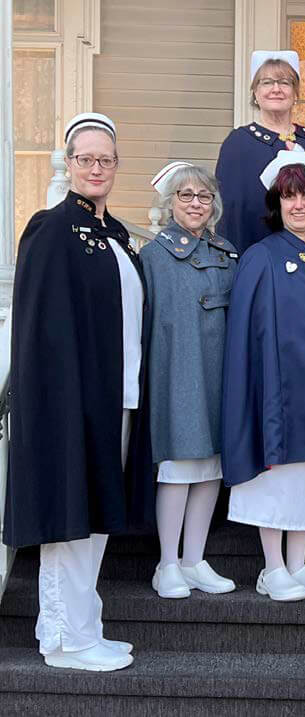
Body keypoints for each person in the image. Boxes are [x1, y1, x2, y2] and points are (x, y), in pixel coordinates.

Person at [3, 112, 154, 671]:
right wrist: (61, 400)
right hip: (74, 400)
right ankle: (64, 639)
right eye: (86, 159)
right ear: (68, 165)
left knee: (92, 516)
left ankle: (80, 624)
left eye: (106, 160)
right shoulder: (52, 229)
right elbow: (41, 327)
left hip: (116, 395)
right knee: (71, 515)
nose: (96, 168)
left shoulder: (115, 235)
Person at [222, 151, 305, 602]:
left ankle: (299, 562)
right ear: (277, 204)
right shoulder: (262, 258)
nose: (299, 205)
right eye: (289, 196)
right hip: (279, 391)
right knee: (279, 477)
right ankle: (272, 567)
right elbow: (251, 334)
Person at [141, 162, 238, 599]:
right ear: (170, 202)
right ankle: (167, 563)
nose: (196, 204)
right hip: (176, 369)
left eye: (204, 196)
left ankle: (194, 559)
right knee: (180, 467)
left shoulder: (228, 252)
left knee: (210, 468)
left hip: (220, 372)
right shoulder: (154, 255)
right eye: (186, 196)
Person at [216, 51, 305, 254]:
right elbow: (230, 214)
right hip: (258, 257)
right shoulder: (239, 144)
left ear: (295, 93)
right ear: (255, 93)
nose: (276, 89)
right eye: (266, 82)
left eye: (285, 82)